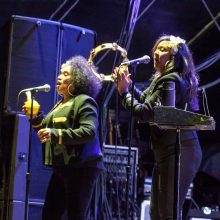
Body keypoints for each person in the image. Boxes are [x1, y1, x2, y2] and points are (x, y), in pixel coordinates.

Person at [113, 34, 202, 219]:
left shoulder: (171, 80)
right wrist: (127, 87)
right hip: (167, 152)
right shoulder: (161, 80)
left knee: (167, 212)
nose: (156, 52)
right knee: (157, 212)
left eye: (163, 50)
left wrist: (123, 94)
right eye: (156, 49)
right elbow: (146, 101)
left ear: (174, 57)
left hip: (180, 150)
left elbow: (146, 112)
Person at [23, 55, 104, 220]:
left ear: (78, 80)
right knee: (50, 215)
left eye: (66, 74)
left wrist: (56, 134)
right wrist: (35, 117)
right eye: (60, 73)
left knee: (75, 215)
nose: (59, 77)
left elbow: (89, 131)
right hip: (63, 167)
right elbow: (44, 130)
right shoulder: (59, 105)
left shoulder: (84, 101)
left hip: (82, 168)